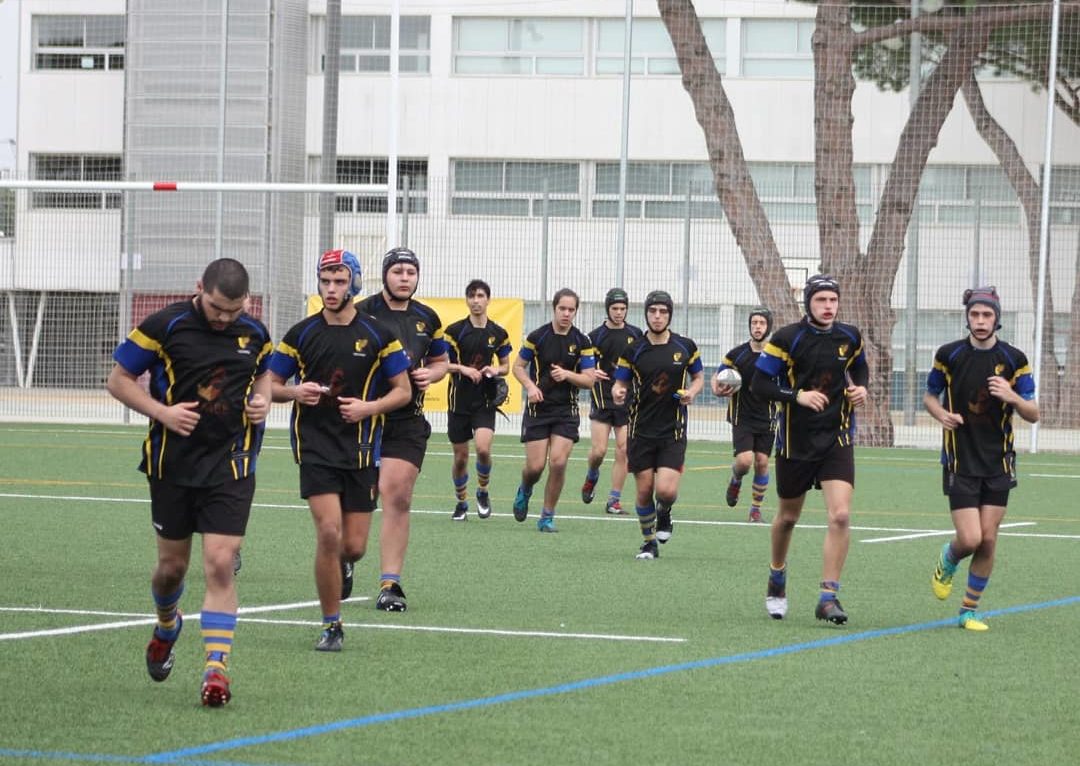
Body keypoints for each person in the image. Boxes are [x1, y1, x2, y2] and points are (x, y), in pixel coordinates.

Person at [106, 258, 272, 707]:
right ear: (199, 287)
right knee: (171, 569)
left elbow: (263, 376)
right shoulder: (165, 324)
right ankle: (166, 624)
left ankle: (216, 669)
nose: (224, 319)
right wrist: (163, 413)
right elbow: (118, 380)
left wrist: (263, 400)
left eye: (233, 311)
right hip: (172, 464)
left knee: (220, 562)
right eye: (218, 308)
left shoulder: (254, 332)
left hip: (231, 464)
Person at [268, 250, 412, 651]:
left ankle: (346, 563)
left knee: (354, 546)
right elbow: (269, 385)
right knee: (328, 533)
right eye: (325, 281)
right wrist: (294, 391)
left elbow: (403, 391)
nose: (331, 289)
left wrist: (369, 407)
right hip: (315, 448)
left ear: (355, 283)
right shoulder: (300, 334)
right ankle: (332, 624)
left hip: (363, 450)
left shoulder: (380, 335)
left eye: (339, 281)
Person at [751, 274, 869, 625]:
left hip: (837, 439)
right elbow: (760, 384)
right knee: (788, 517)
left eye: (833, 300)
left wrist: (860, 389)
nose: (829, 306)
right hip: (795, 440)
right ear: (809, 304)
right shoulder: (788, 338)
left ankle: (828, 596)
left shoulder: (850, 337)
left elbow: (859, 370)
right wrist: (796, 396)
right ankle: (776, 575)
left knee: (841, 515)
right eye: (821, 300)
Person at [924, 286, 1039, 632]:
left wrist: (1012, 397)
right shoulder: (949, 354)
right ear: (967, 317)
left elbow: (1033, 413)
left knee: (989, 539)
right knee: (971, 539)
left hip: (998, 462)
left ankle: (968, 611)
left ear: (997, 318)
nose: (980, 321)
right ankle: (949, 557)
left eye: (987, 315)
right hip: (960, 460)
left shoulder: (1015, 359)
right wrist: (941, 414)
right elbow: (930, 396)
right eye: (975, 314)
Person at [357, 247, 449, 611]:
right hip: (364, 419)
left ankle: (390, 583)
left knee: (397, 494)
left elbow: (441, 361)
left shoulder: (427, 317)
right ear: (385, 275)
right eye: (398, 271)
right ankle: (349, 557)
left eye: (411, 271)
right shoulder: (362, 313)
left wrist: (433, 372)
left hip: (407, 421)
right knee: (359, 510)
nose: (405, 277)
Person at [612, 290, 704, 559]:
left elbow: (698, 377)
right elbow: (621, 382)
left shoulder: (685, 346)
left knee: (666, 490)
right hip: (640, 430)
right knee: (643, 491)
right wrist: (618, 391)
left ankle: (664, 511)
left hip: (672, 430)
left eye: (663, 312)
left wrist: (693, 391)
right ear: (646, 314)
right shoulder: (633, 349)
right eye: (653, 311)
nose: (657, 316)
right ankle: (648, 542)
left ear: (670, 315)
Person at [512, 288, 597, 532]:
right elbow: (518, 367)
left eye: (571, 310)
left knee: (558, 463)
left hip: (566, 412)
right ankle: (525, 488)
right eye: (563, 309)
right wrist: (530, 386)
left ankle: (547, 516)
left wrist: (568, 374)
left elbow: (590, 380)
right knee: (535, 467)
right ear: (554, 308)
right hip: (539, 410)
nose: (566, 314)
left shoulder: (583, 342)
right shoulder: (538, 337)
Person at [444, 279, 513, 521]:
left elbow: (506, 366)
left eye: (480, 295)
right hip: (458, 402)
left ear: (488, 299)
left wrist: (496, 370)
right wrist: (464, 369)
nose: (476, 300)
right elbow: (443, 364)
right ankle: (461, 502)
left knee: (483, 449)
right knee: (461, 457)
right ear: (466, 300)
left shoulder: (498, 333)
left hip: (484, 401)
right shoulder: (454, 331)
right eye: (471, 296)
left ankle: (482, 491)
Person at [581, 288, 643, 515]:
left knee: (624, 449)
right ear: (608, 309)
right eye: (615, 308)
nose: (619, 313)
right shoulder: (594, 336)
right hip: (602, 397)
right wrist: (591, 371)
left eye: (623, 309)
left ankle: (613, 501)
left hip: (626, 398)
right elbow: (584, 363)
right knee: (598, 451)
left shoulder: (636, 334)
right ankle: (592, 475)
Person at [713, 307, 776, 523]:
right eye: (754, 323)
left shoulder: (777, 355)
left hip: (767, 417)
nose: (757, 327)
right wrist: (717, 388)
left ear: (768, 326)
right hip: (742, 417)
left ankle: (755, 509)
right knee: (744, 461)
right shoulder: (737, 354)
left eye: (761, 323)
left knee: (762, 462)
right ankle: (736, 478)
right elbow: (718, 375)